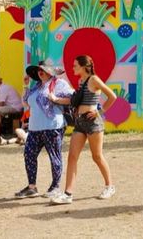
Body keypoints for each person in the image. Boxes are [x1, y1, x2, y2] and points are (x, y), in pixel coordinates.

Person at [50, 55, 118, 205]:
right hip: (80, 122)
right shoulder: (81, 81)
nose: (73, 68)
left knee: (97, 156)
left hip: (93, 122)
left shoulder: (94, 79)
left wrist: (99, 112)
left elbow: (112, 96)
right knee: (72, 156)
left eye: (75, 66)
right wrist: (55, 100)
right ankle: (68, 194)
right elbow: (75, 100)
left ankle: (109, 186)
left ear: (83, 66)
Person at [14, 63, 73, 199]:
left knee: (54, 157)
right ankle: (32, 187)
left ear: (50, 71)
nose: (40, 72)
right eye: (38, 70)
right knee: (29, 154)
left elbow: (72, 98)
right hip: (35, 128)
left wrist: (56, 99)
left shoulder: (59, 83)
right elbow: (26, 104)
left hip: (52, 127)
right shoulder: (37, 86)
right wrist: (26, 86)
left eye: (43, 70)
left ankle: (55, 187)